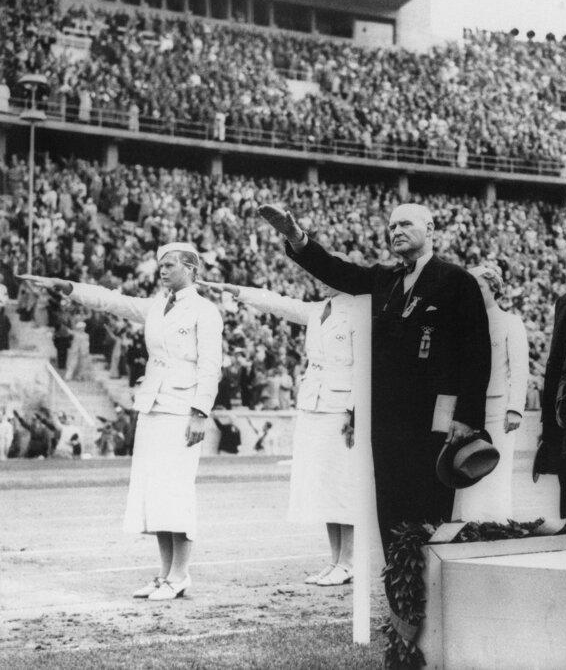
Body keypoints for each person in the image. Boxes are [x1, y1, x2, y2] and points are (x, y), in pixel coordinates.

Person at [258, 202, 491, 552]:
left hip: (435, 415)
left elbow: (476, 353)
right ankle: (401, 592)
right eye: (392, 226)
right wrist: (297, 238)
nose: (395, 231)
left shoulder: (456, 280)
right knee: (390, 508)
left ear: (430, 230)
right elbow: (335, 271)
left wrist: (467, 417)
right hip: (386, 417)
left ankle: (429, 592)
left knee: (430, 503)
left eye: (405, 224)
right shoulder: (386, 278)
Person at [19, 241, 222, 601]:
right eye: (160, 264)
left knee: (176, 491)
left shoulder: (205, 311)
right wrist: (66, 286)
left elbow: (210, 366)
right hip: (152, 406)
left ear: (191, 269)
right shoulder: (156, 305)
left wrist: (200, 412)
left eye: (171, 264)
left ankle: (181, 574)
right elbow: (110, 300)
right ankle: (164, 575)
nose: (162, 269)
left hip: (182, 408)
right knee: (153, 491)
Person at [200, 279, 361, 586]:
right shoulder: (316, 310)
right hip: (314, 401)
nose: (324, 280)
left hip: (342, 406)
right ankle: (336, 560)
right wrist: (238, 291)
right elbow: (276, 302)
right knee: (324, 485)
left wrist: (356, 412)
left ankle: (349, 561)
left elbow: (364, 366)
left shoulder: (358, 310)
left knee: (342, 484)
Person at [452, 265, 528, 523]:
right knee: (466, 465)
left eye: (480, 287)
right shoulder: (462, 323)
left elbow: (519, 369)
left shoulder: (510, 322)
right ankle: (468, 522)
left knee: (496, 465)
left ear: (494, 289)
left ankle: (496, 522)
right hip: (466, 410)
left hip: (497, 408)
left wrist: (515, 408)